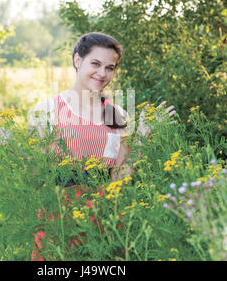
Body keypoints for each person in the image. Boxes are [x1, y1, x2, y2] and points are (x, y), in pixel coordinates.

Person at [28, 32, 177, 260]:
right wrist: (3, 144)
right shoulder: (48, 110)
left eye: (110, 67)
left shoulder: (117, 115)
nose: (102, 73)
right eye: (95, 64)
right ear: (78, 61)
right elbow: (35, 174)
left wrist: (141, 138)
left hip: (106, 219)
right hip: (60, 219)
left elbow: (119, 177)